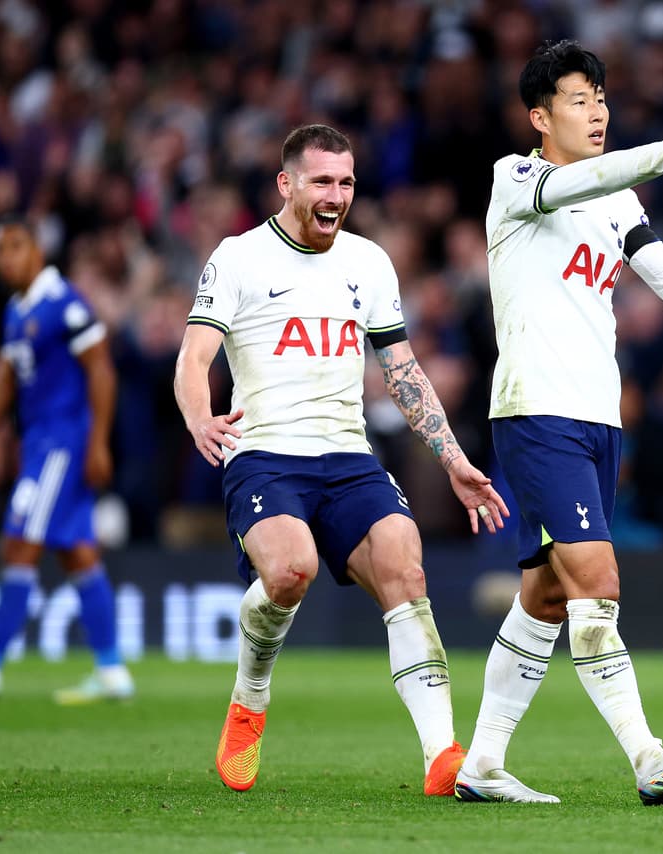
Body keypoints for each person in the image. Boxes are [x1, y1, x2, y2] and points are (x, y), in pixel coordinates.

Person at [455, 40, 663, 806]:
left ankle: (482, 764)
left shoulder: (615, 201)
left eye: (601, 95)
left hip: (597, 417)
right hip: (537, 412)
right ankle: (648, 758)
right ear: (539, 116)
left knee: (545, 596)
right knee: (597, 583)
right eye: (578, 99)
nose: (597, 109)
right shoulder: (519, 179)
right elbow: (602, 173)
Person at [173, 124, 509, 796]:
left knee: (404, 564)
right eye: (322, 181)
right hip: (265, 453)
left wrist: (452, 458)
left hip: (349, 455)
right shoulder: (239, 259)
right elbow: (194, 358)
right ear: (287, 183)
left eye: (346, 182)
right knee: (291, 571)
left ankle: (442, 758)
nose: (336, 195)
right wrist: (199, 416)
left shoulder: (367, 262)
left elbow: (404, 371)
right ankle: (250, 697)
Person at [0, 218, 134, 705]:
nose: (6, 259)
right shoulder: (18, 312)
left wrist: (99, 442)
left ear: (37, 250)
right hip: (41, 442)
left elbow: (101, 369)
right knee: (76, 551)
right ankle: (111, 670)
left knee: (18, 542)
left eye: (15, 247)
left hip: (62, 441)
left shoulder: (64, 303)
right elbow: (4, 383)